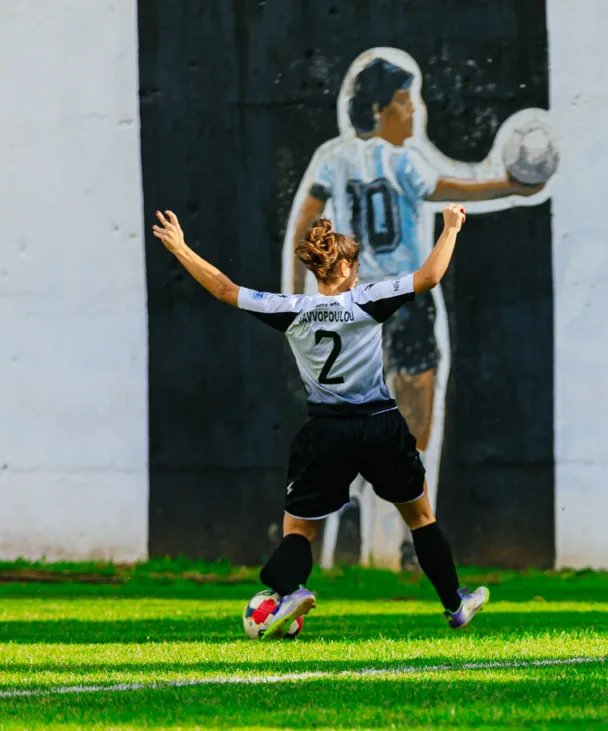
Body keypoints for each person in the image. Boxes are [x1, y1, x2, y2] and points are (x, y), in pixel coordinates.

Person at [152, 204, 489, 639]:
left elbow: (223, 289)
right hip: (380, 426)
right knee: (420, 517)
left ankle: (287, 590)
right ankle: (454, 604)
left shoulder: (291, 308)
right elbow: (429, 277)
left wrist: (180, 248)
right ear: (346, 267)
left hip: (327, 430)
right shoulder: (366, 301)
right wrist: (450, 228)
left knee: (299, 530)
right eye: (356, 267)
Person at [285, 57, 545, 569]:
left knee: (349, 411)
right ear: (382, 110)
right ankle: (410, 532)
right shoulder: (402, 160)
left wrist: (302, 297)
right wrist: (512, 187)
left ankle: (356, 502)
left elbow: (304, 221)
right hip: (404, 300)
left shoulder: (332, 157)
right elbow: (451, 189)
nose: (415, 109)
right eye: (406, 100)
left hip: (353, 304)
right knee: (412, 426)